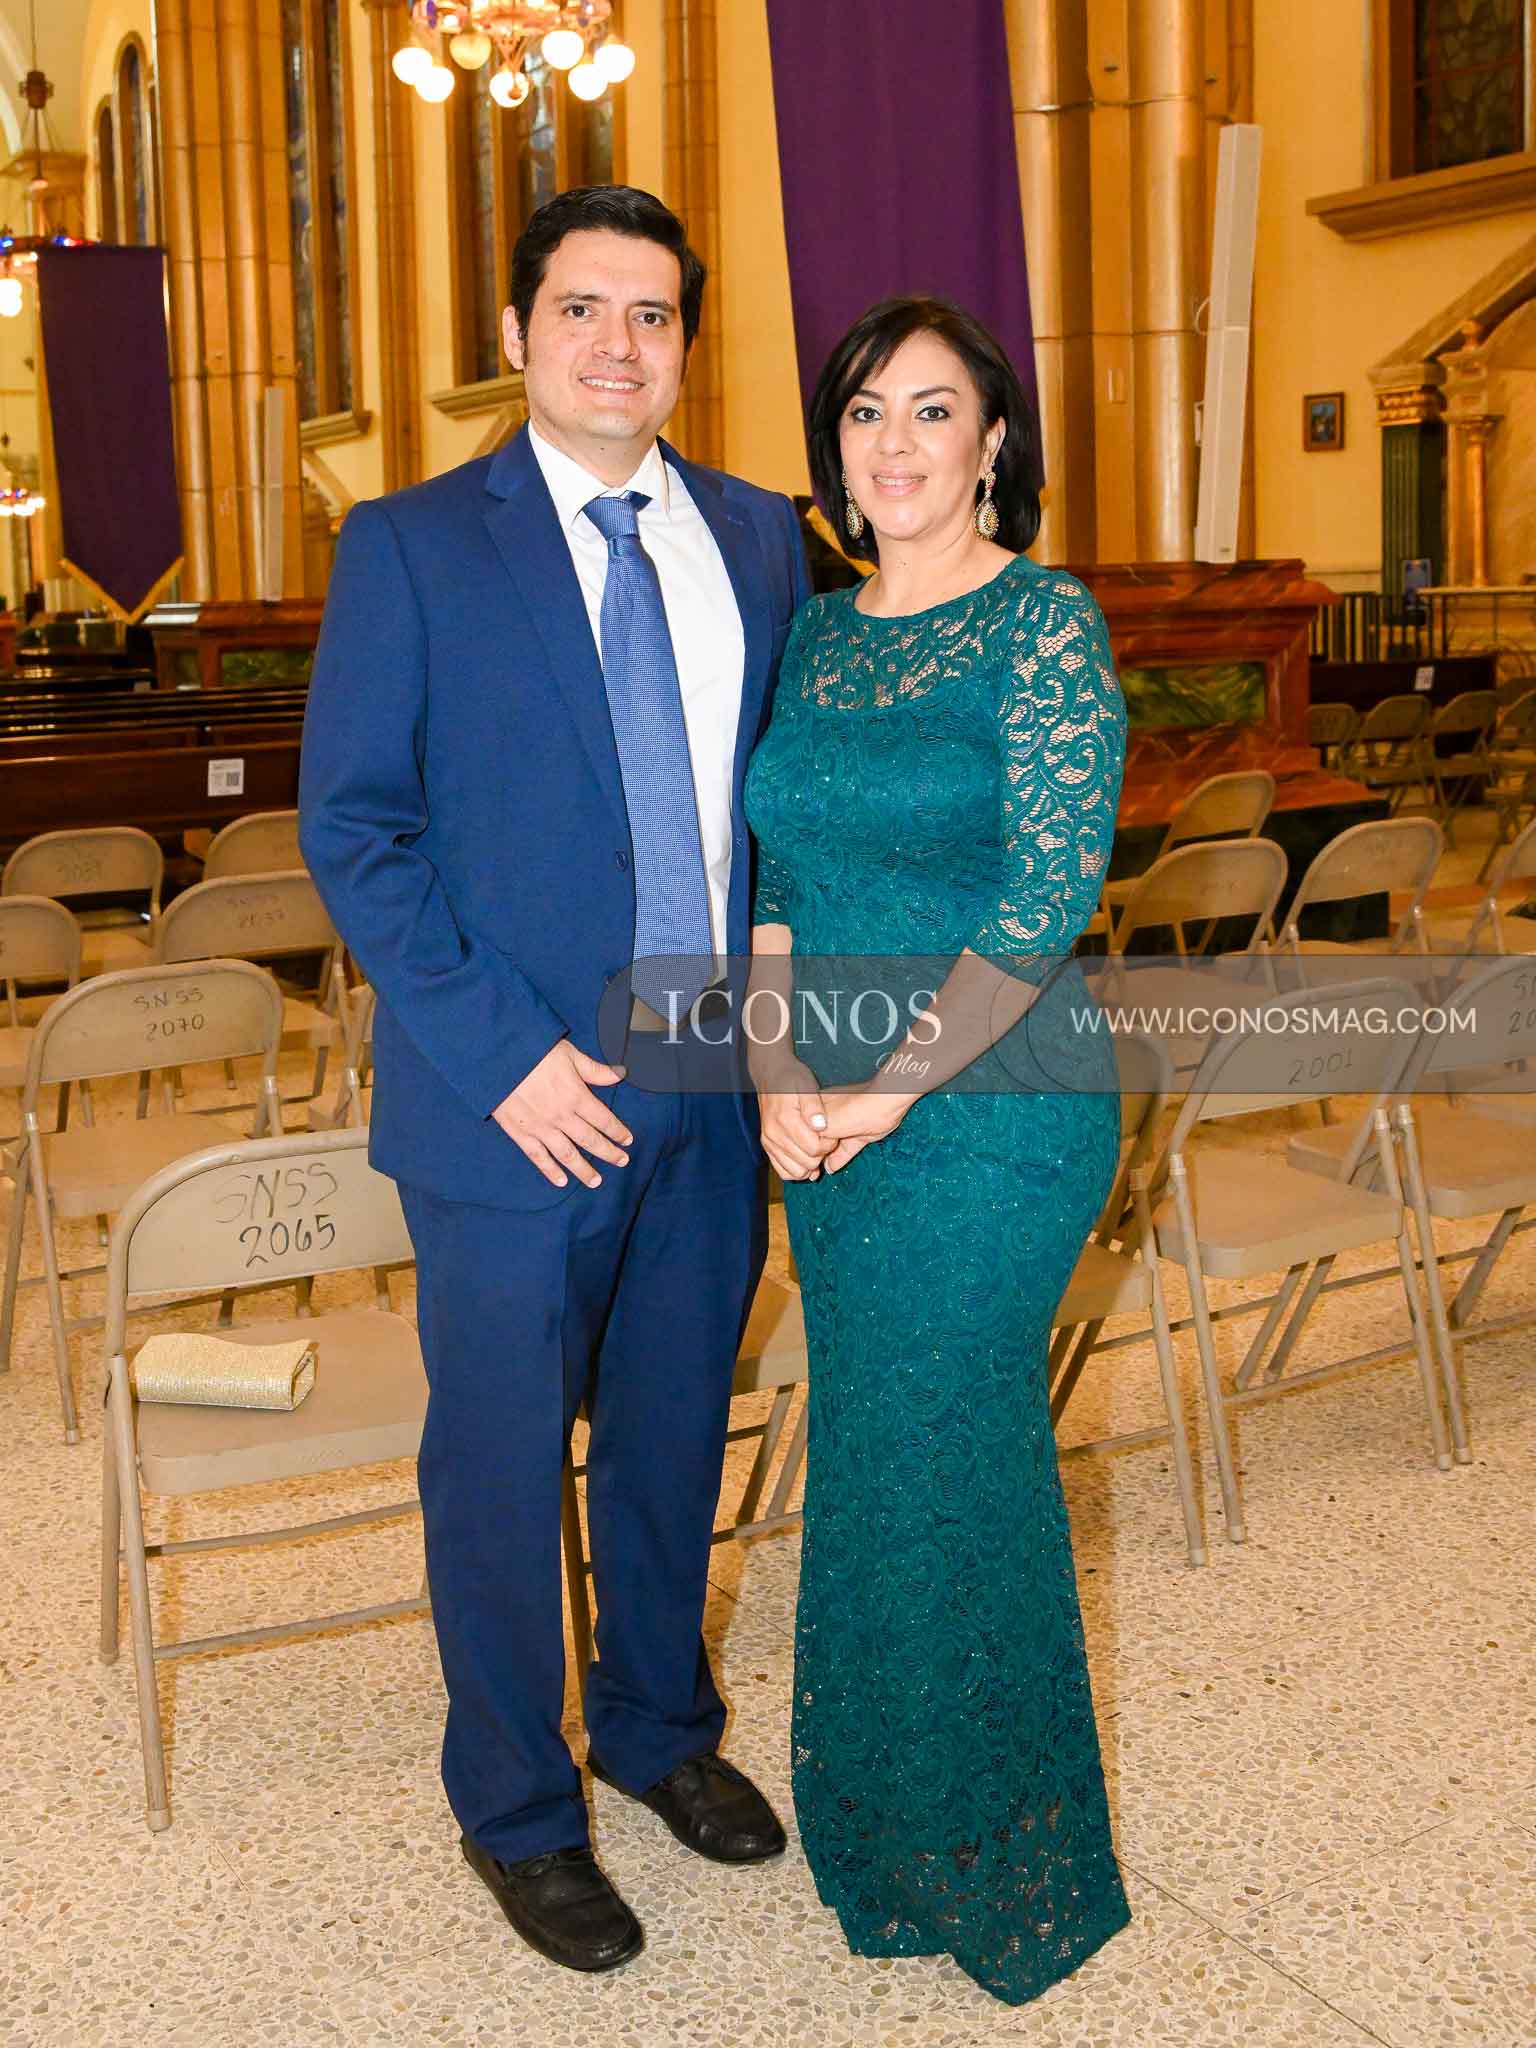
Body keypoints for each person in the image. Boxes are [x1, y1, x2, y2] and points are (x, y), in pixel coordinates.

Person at [299, 185, 808, 1976]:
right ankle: (518, 1809)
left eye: (652, 314)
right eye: (582, 309)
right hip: (512, 1094)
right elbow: (356, 830)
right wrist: (506, 1056)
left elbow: (771, 819)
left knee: (671, 1432)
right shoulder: (413, 544)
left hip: (702, 1070)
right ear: (517, 336)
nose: (617, 344)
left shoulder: (758, 537)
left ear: (686, 345)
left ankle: (658, 1731)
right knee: (506, 1466)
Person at [742, 296, 1131, 2004]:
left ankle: (1015, 1851)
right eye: (864, 413)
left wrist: (890, 1087)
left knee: (954, 1437)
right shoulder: (818, 639)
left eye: (931, 409)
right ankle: (890, 1829)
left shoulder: (1043, 622)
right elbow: (777, 881)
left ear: (992, 443)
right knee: (875, 1446)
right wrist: (771, 1071)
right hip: (823, 1108)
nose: (894, 443)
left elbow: (1047, 890)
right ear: (834, 451)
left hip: (995, 1104)